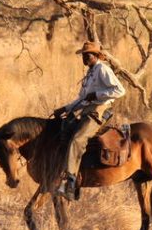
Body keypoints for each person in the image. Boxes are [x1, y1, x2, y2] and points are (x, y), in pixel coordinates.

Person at [52, 41, 126, 199]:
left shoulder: (102, 69)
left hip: (99, 111)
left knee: (77, 140)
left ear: (96, 56)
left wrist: (98, 95)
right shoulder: (90, 73)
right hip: (86, 110)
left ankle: (70, 183)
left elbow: (119, 90)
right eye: (83, 56)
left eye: (88, 55)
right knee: (63, 132)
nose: (84, 58)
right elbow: (82, 99)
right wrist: (65, 109)